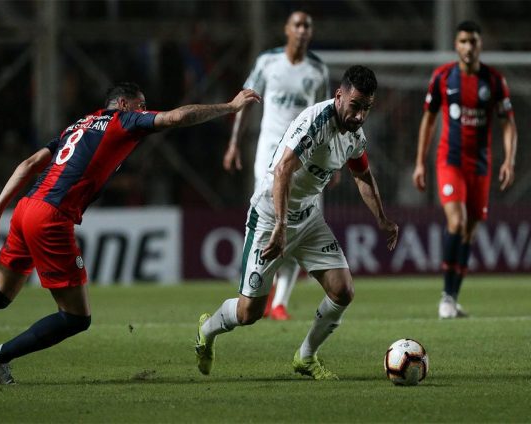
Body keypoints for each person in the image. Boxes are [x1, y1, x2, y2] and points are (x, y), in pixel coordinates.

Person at [0, 82, 261, 385]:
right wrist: (229, 107)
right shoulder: (122, 121)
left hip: (25, 209)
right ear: (122, 104)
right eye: (141, 104)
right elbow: (178, 117)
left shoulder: (76, 128)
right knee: (75, 317)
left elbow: (28, 164)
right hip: (51, 216)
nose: (145, 109)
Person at [196, 66, 398, 379]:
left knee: (343, 290)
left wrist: (383, 219)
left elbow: (363, 176)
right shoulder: (315, 122)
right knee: (249, 313)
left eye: (366, 109)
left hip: (308, 218)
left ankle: (305, 357)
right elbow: (283, 170)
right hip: (268, 217)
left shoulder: (355, 135)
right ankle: (207, 331)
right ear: (338, 96)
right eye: (355, 106)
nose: (359, 116)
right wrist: (279, 227)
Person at [223, 10, 330, 320]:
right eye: (297, 24)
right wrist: (233, 143)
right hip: (270, 152)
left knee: (301, 218)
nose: (302, 30)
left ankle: (280, 301)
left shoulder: (318, 70)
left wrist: (328, 162)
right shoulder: (268, 62)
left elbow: (327, 117)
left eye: (307, 26)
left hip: (307, 156)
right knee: (270, 214)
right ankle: (258, 285)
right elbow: (244, 103)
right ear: (286, 29)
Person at [412, 21, 517, 319]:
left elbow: (508, 123)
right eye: (463, 41)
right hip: (450, 160)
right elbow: (429, 120)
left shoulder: (494, 81)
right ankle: (445, 297)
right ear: (456, 45)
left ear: (480, 44)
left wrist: (509, 160)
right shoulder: (443, 77)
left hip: (481, 165)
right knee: (456, 222)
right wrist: (420, 161)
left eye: (473, 41)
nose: (468, 47)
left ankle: (453, 297)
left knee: (470, 232)